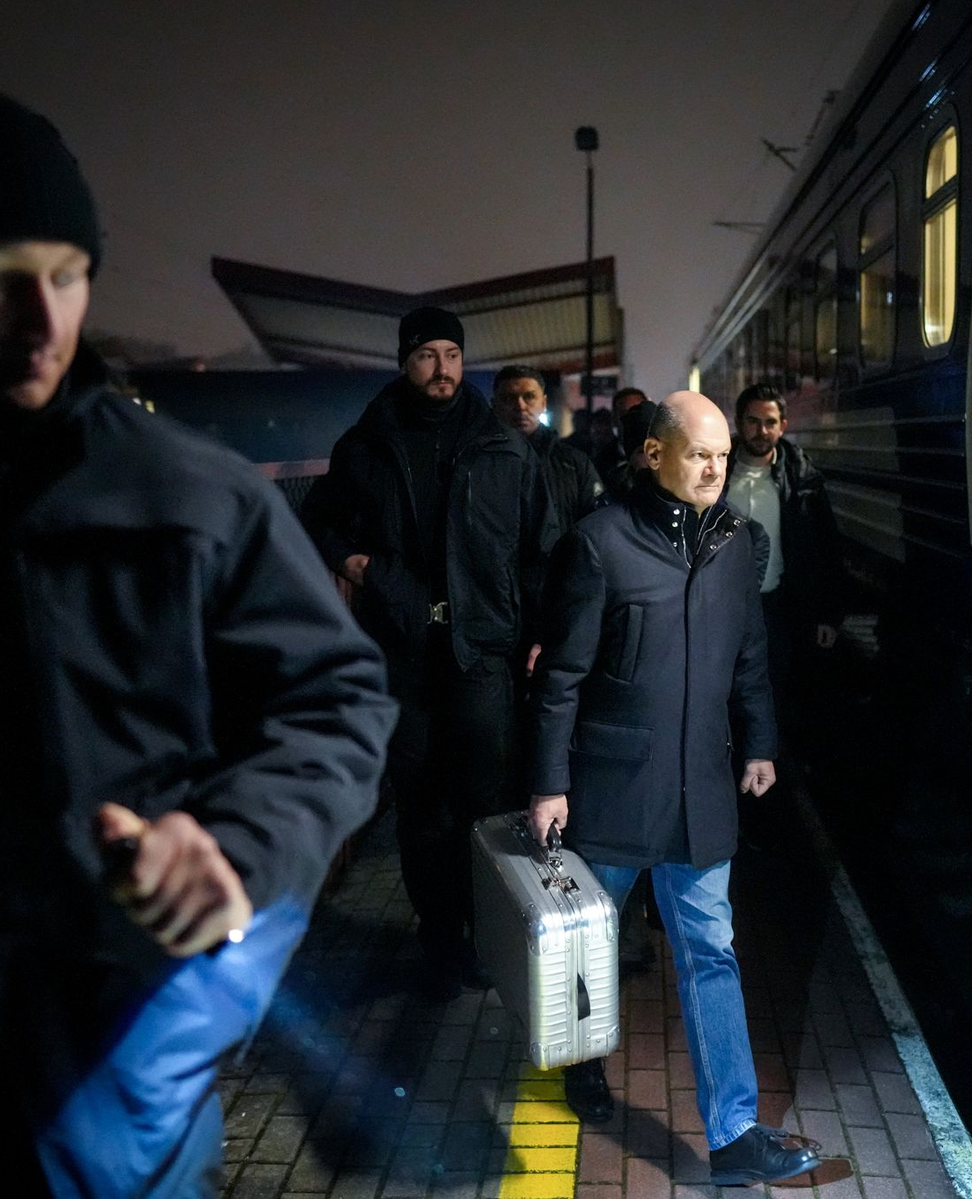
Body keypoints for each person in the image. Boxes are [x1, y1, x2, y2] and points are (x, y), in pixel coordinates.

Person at [0, 94, 396, 1197]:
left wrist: (231, 847)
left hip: (110, 1036)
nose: (39, 317)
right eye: (0, 276)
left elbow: (337, 701)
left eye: (65, 274)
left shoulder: (189, 495)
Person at [527, 391, 821, 1186]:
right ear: (653, 454)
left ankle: (732, 1135)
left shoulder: (738, 545)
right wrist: (549, 783)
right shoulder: (599, 544)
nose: (716, 468)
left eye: (724, 455)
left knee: (711, 955)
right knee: (594, 947)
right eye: (699, 453)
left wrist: (759, 740)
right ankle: (584, 1065)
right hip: (613, 787)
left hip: (700, 789)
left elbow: (750, 655)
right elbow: (560, 678)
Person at [302, 307, 558, 999]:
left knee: (484, 802)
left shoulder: (502, 447)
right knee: (420, 802)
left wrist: (536, 631)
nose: (441, 367)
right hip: (405, 649)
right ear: (404, 362)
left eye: (451, 353)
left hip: (482, 652)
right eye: (426, 355)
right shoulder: (367, 445)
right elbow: (317, 519)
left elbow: (541, 550)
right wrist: (359, 566)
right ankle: (440, 937)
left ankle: (485, 930)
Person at [726, 382, 843, 759]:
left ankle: (762, 768)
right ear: (739, 423)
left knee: (772, 686)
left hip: (777, 603)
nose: (761, 431)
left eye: (770, 422)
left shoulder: (803, 480)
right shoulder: (717, 472)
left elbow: (826, 549)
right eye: (753, 421)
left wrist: (828, 614)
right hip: (722, 606)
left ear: (784, 425)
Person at [492, 364, 603, 535]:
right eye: (509, 398)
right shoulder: (477, 462)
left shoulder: (573, 463)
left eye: (529, 397)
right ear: (494, 405)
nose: (520, 406)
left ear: (543, 403)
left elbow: (597, 524)